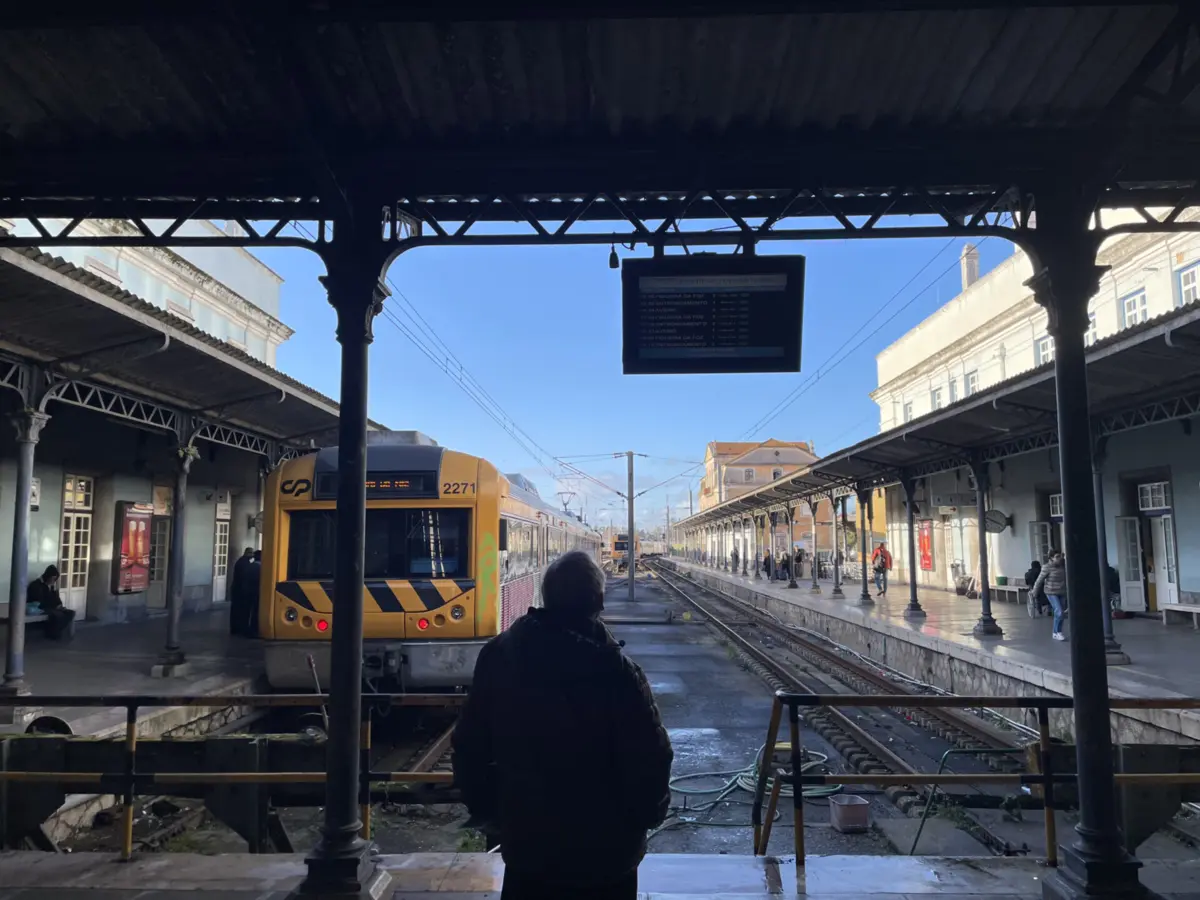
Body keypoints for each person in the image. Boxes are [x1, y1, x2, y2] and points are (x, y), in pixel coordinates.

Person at [453, 550, 673, 900]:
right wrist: (645, 819)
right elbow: (651, 758)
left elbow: (468, 744)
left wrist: (492, 813)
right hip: (607, 857)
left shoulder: (499, 656)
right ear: (599, 600)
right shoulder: (619, 673)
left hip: (527, 846)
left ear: (546, 597)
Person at [27, 565, 75, 640]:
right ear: (48, 576)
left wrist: (59, 605)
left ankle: (57, 631)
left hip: (52, 607)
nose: (53, 581)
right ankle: (53, 634)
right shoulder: (36, 585)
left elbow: (56, 598)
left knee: (70, 613)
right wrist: (55, 606)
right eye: (52, 578)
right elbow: (40, 601)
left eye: (54, 579)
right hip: (41, 608)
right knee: (57, 616)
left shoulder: (51, 586)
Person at [1033, 551, 1068, 641]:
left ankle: (1055, 632)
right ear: (1051, 558)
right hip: (1051, 592)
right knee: (1059, 611)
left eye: (1060, 556)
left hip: (1062, 591)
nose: (1059, 558)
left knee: (1060, 613)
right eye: (1057, 556)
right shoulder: (1047, 567)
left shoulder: (1063, 566)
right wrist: (1035, 592)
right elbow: (1039, 580)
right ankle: (1058, 632)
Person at [229, 547, 255, 636]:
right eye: (251, 553)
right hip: (241, 591)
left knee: (236, 611)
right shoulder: (244, 563)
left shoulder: (241, 561)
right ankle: (240, 628)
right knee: (242, 611)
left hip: (237, 589)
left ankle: (236, 628)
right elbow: (244, 578)